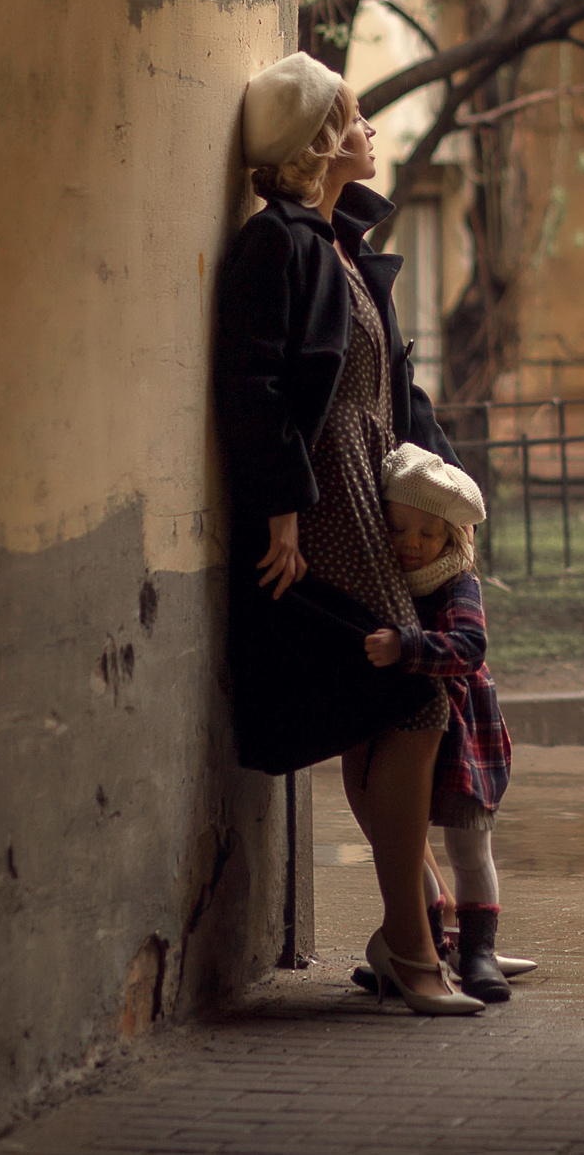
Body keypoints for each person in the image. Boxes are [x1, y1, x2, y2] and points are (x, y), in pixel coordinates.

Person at [212, 51, 482, 1017]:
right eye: (357, 115)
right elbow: (253, 385)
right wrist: (282, 507)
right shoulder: (276, 244)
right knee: (412, 700)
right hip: (325, 502)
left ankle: (413, 935)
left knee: (390, 714)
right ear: (321, 139)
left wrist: (449, 497)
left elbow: (393, 392)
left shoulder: (339, 242)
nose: (371, 129)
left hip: (375, 489)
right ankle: (415, 943)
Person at [359, 444, 532, 1003]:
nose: (412, 543)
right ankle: (427, 941)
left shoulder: (457, 583)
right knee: (406, 844)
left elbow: (469, 644)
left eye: (427, 533)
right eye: (399, 527)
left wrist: (406, 647)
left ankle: (477, 950)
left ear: (451, 538)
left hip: (465, 738)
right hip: (409, 733)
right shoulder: (386, 579)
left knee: (468, 847)